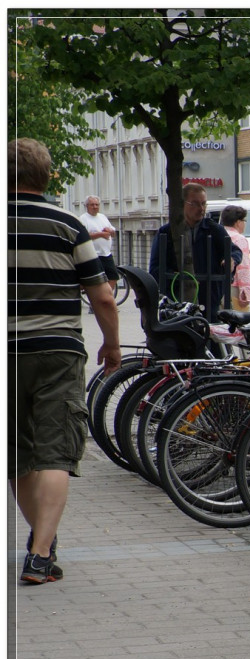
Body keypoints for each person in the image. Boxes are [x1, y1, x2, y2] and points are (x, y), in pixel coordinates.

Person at [9, 139, 122, 585]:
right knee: (56, 451)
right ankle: (40, 554)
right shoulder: (69, 225)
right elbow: (104, 298)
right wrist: (112, 346)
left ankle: (41, 540)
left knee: (17, 454)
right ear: (48, 175)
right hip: (57, 351)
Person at [148, 182, 232, 314]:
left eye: (204, 203)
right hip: (176, 302)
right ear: (183, 204)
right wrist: (178, 279)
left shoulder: (215, 230)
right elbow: (155, 268)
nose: (201, 208)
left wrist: (232, 259)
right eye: (195, 203)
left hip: (209, 300)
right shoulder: (167, 232)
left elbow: (232, 250)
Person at [78, 195, 118, 287]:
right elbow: (83, 236)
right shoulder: (83, 218)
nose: (95, 207)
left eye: (97, 205)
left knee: (113, 277)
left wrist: (110, 231)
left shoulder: (102, 217)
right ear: (87, 206)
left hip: (106, 254)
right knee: (94, 280)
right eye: (92, 205)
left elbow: (113, 233)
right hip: (93, 255)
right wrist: (100, 234)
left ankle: (107, 298)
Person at [220, 205, 250, 311]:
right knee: (241, 322)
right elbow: (243, 267)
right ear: (238, 222)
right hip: (234, 287)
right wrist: (245, 291)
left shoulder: (218, 234)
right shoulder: (239, 239)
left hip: (217, 285)